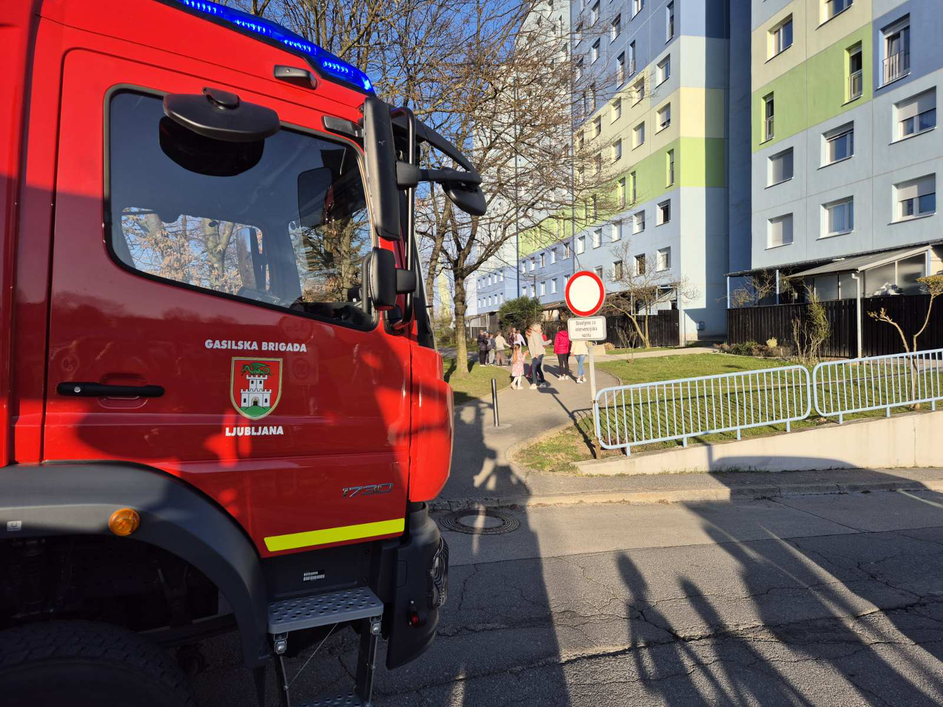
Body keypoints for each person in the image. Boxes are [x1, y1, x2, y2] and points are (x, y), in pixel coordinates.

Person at [526, 322, 549, 389]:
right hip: (539, 353)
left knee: (534, 369)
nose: (540, 329)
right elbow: (537, 344)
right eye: (539, 328)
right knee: (538, 369)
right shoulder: (536, 334)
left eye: (539, 328)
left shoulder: (534, 334)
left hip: (537, 354)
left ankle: (534, 384)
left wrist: (536, 353)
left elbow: (537, 344)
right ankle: (542, 382)